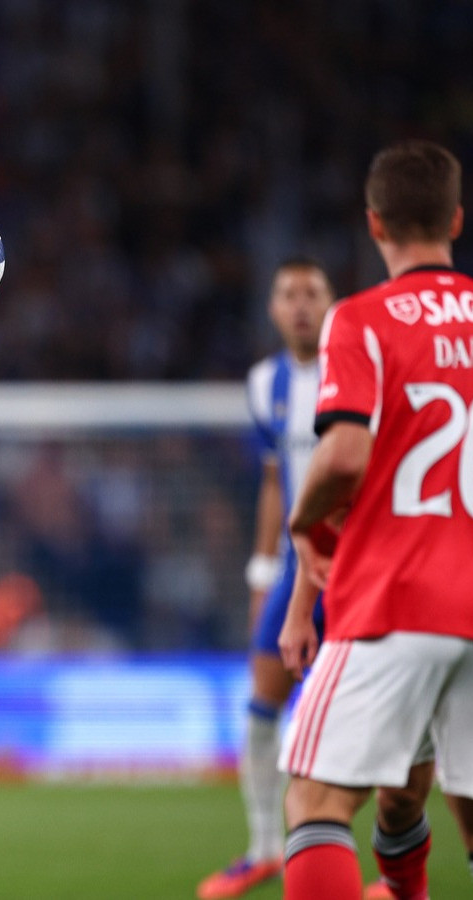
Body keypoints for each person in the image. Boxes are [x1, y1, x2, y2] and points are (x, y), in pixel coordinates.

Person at [278, 139, 473, 899]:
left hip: (399, 596)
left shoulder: (361, 319)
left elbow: (345, 456)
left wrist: (302, 519)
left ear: (375, 224)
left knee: (317, 801)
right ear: (455, 219)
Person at [197, 258, 334, 899]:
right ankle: (263, 849)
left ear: (331, 302)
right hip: (294, 567)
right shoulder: (264, 384)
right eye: (288, 295)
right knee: (261, 703)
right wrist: (262, 573)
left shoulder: (357, 369)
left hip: (356, 565)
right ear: (274, 309)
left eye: (312, 293)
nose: (300, 305)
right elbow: (275, 483)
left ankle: (391, 863)